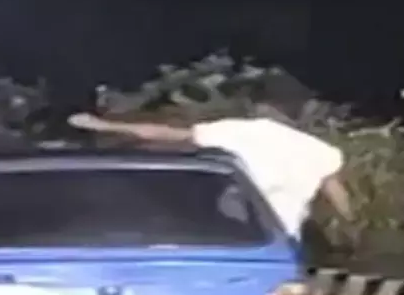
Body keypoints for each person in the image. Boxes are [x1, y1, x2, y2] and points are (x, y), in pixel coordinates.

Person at [66, 99, 355, 243]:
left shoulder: (239, 131)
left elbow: (166, 134)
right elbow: (337, 194)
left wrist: (107, 126)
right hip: (284, 235)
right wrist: (351, 228)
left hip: (238, 226)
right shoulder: (316, 147)